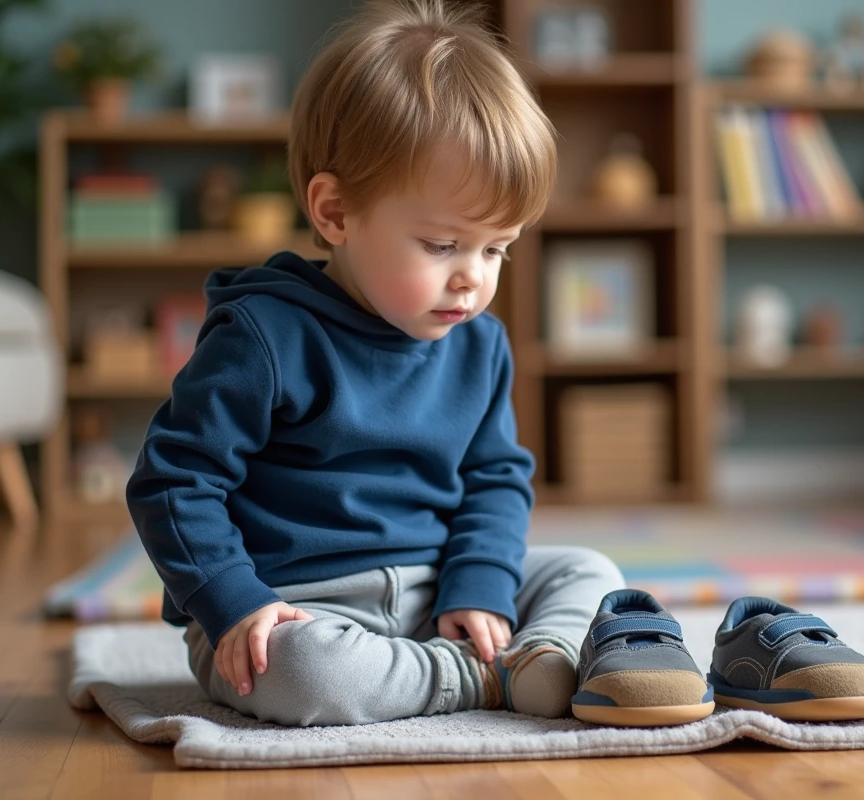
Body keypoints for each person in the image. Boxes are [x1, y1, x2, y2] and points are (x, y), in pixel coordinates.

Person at [126, 0, 624, 727]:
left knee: (591, 572)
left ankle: (517, 648)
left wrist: (478, 585)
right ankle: (487, 679)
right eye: (442, 244)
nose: (472, 279)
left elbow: (494, 478)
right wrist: (235, 603)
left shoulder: (479, 345)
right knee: (305, 674)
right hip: (294, 608)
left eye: (496, 249)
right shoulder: (264, 336)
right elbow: (174, 479)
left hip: (434, 594)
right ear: (334, 213)